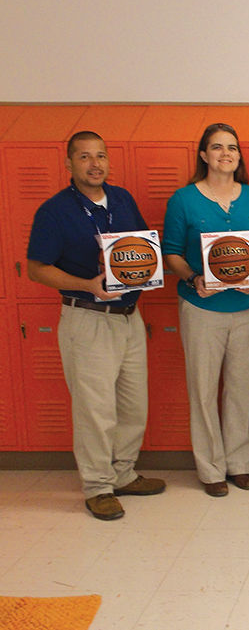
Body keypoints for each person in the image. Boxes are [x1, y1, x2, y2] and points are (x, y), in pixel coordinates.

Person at [27, 131, 166, 520]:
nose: (95, 164)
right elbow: (38, 269)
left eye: (101, 156)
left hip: (129, 318)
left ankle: (122, 473)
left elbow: (140, 246)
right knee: (95, 410)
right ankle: (97, 486)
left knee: (133, 405)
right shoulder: (54, 210)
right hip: (87, 318)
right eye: (85, 157)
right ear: (69, 163)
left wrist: (147, 272)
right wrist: (87, 285)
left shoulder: (121, 199)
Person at [163, 123, 249, 497]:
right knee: (203, 390)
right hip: (201, 307)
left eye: (232, 148)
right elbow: (171, 252)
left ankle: (240, 464)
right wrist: (194, 278)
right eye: (217, 147)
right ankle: (210, 468)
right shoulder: (183, 199)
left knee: (242, 388)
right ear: (204, 154)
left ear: (239, 156)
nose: (226, 153)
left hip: (246, 306)